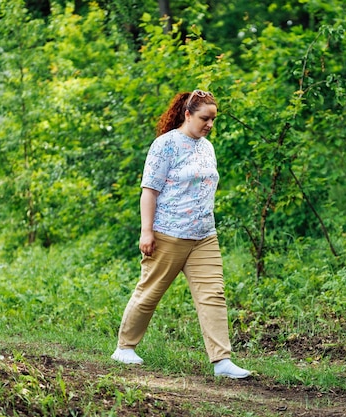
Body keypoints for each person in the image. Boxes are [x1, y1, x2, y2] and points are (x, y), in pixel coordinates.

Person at [111, 89, 251, 379]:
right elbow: (149, 190)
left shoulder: (207, 147)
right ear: (187, 114)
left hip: (204, 236)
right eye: (204, 118)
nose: (209, 124)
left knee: (213, 295)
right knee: (150, 292)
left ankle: (222, 361)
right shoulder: (165, 145)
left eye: (213, 119)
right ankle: (124, 348)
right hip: (168, 234)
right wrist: (146, 232)